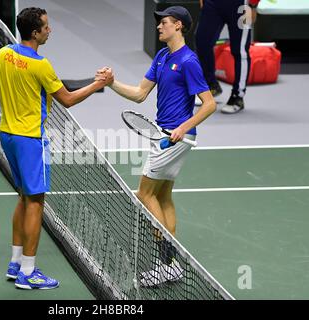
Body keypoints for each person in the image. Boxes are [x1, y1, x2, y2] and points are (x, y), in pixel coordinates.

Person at [0, 7, 113, 290]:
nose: (50, 30)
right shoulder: (41, 65)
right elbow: (67, 100)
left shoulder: (4, 54)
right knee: (35, 203)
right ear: (35, 33)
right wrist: (99, 84)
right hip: (31, 141)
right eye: (46, 27)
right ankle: (28, 272)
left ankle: (15, 262)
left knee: (24, 198)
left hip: (6, 136)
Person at [98, 6, 216, 286]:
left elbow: (209, 104)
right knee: (162, 198)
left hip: (175, 138)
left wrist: (182, 128)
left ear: (178, 26)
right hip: (165, 136)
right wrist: (112, 83)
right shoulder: (163, 57)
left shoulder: (188, 61)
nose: (159, 27)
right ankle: (171, 264)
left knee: (144, 194)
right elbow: (140, 94)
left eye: (164, 23)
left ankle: (167, 263)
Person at [195, 0, 260, 114]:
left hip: (242, 5)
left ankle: (237, 96)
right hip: (213, 4)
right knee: (202, 42)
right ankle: (211, 85)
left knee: (240, 50)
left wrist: (253, 5)